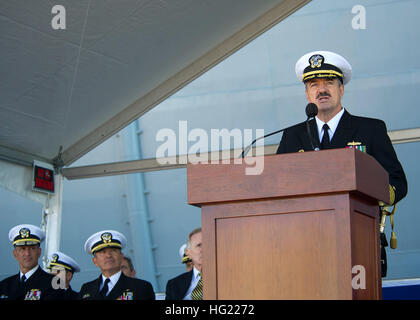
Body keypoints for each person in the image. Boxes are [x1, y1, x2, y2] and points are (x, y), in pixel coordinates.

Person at [277, 50, 408, 276]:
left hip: (358, 239)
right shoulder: (292, 136)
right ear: (307, 94)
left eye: (329, 82)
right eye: (314, 85)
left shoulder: (370, 129)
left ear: (341, 89)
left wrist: (369, 194)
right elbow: (276, 185)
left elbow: (397, 181)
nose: (322, 90)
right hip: (304, 243)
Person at [79, 230, 155, 300]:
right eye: (103, 252)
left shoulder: (141, 287)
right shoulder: (86, 289)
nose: (108, 256)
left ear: (122, 257)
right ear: (95, 261)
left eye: (113, 251)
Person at [0, 224, 64, 300]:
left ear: (39, 252)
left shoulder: (55, 283)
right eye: (23, 249)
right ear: (15, 254)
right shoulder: (4, 285)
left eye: (32, 248)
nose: (27, 253)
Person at [165, 228, 203, 300]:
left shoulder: (228, 278)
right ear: (188, 253)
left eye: (209, 243)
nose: (204, 249)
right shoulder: (174, 284)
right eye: (199, 245)